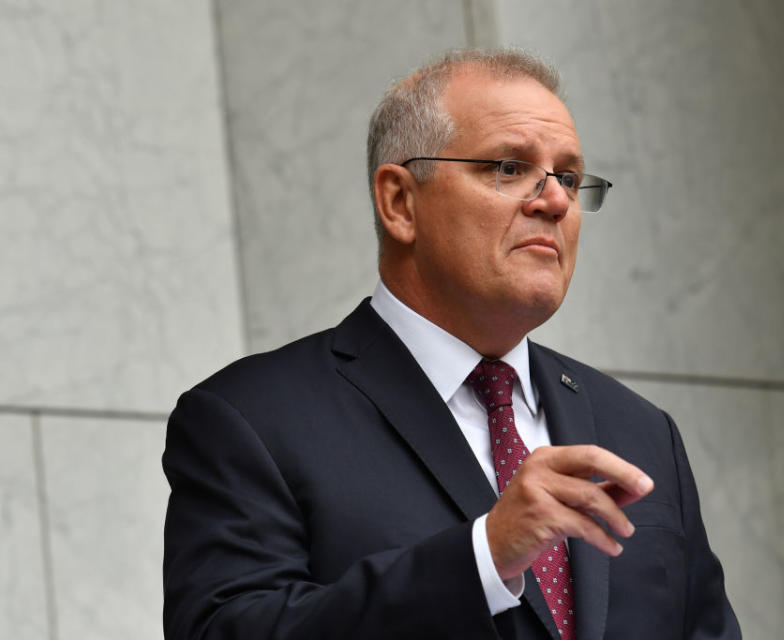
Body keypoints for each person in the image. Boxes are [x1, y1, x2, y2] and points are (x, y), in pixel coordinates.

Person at [162, 48, 740, 640]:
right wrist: (482, 557)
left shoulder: (641, 432)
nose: (557, 201)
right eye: (509, 168)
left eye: (567, 176)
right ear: (400, 203)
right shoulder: (253, 419)